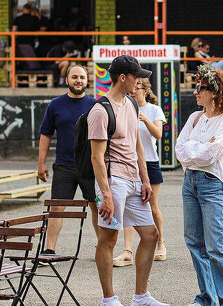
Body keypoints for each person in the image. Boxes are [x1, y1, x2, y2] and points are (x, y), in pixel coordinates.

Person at [88, 55, 168, 306]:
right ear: (123, 77)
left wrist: (144, 180)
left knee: (151, 234)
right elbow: (96, 158)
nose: (140, 82)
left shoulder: (133, 105)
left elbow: (137, 147)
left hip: (134, 180)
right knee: (108, 240)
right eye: (137, 77)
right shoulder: (101, 110)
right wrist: (106, 194)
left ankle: (141, 296)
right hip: (113, 182)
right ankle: (109, 299)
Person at [175, 65, 223, 306]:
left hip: (213, 184)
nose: (195, 92)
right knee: (194, 243)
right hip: (190, 181)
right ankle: (207, 297)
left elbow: (211, 155)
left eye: (200, 88)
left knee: (216, 247)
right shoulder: (195, 118)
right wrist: (197, 150)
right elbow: (179, 150)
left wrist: (193, 149)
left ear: (214, 92)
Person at [38, 65, 98, 257]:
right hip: (64, 166)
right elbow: (45, 134)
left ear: (87, 81)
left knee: (96, 204)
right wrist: (41, 164)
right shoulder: (55, 105)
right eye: (74, 77)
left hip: (90, 167)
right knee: (56, 207)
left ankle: (103, 247)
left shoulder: (95, 105)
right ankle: (50, 249)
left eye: (82, 77)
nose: (78, 80)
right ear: (67, 80)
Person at [112, 77, 167, 267]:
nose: (134, 90)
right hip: (130, 162)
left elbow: (159, 135)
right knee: (128, 209)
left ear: (145, 90)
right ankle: (127, 251)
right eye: (134, 87)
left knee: (152, 207)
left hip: (150, 161)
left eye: (139, 87)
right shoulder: (126, 106)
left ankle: (161, 243)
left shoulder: (153, 110)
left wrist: (144, 120)